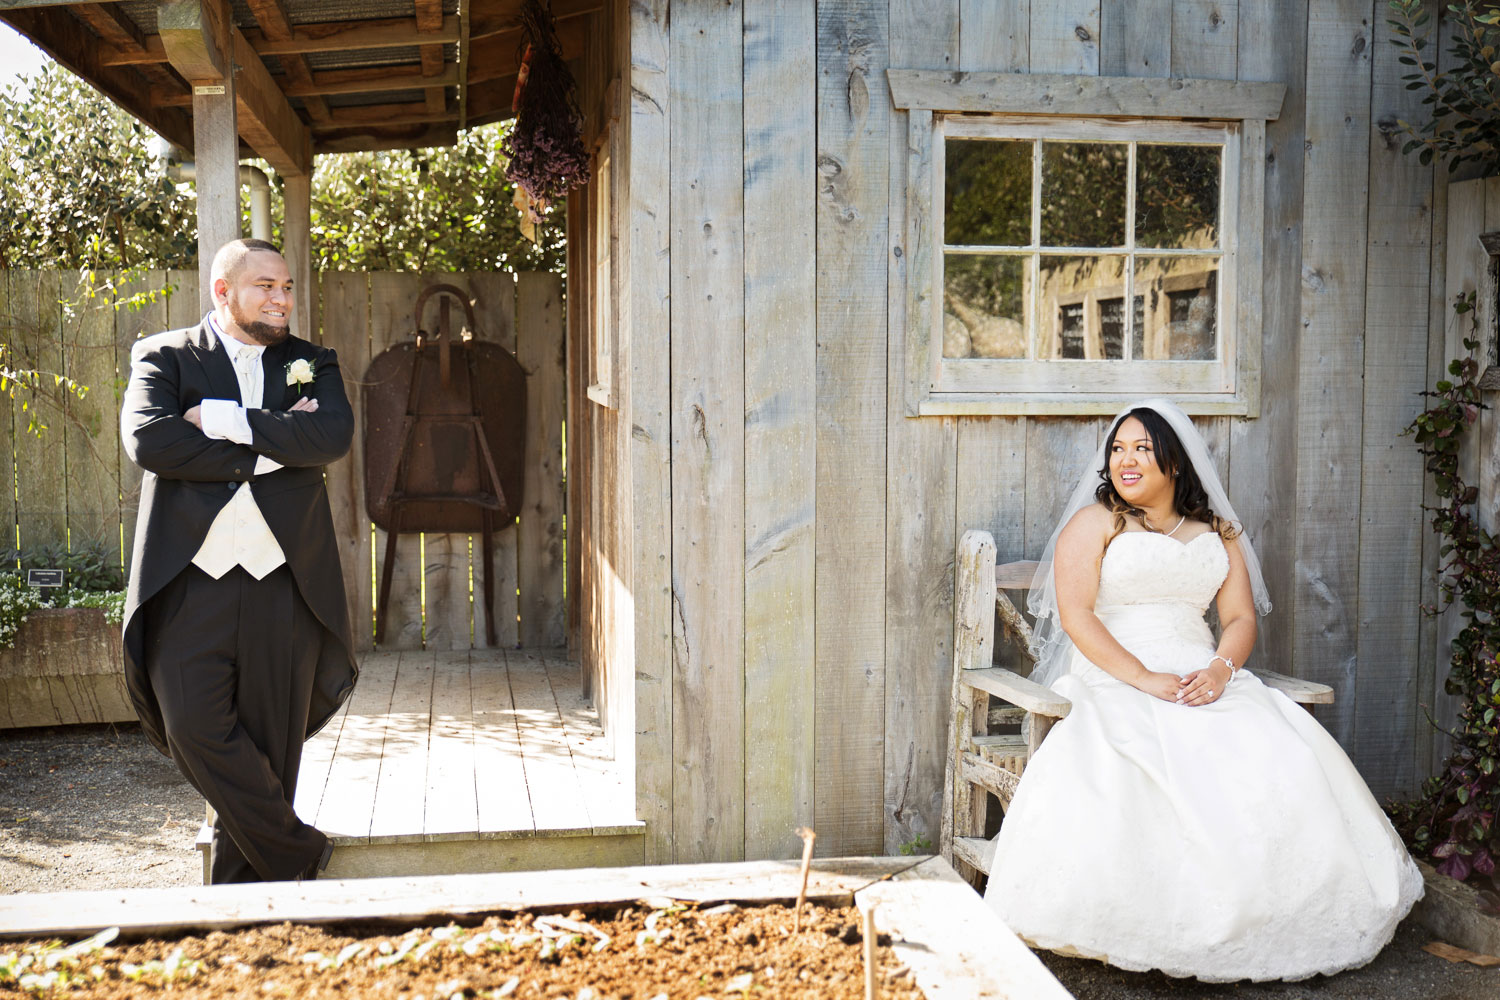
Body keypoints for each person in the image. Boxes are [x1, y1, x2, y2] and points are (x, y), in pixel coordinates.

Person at [983, 398, 1422, 982]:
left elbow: (1239, 619)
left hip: (1201, 671)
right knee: (1141, 752)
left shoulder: (1219, 531)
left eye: (1142, 448)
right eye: (1118, 448)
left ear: (1175, 461)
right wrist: (1143, 678)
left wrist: (1219, 671)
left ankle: (1271, 913)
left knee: (1273, 749)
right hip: (1115, 672)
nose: (1126, 460)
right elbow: (1077, 616)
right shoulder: (1095, 523)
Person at [120, 238, 358, 883]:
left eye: (286, 287)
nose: (281, 300)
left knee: (271, 752)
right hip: (190, 581)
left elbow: (331, 436)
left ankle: (245, 907)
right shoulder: (164, 356)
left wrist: (224, 419)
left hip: (284, 581)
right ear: (223, 291)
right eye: (265, 287)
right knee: (191, 727)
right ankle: (297, 851)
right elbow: (152, 442)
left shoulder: (312, 361)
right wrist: (276, 444)